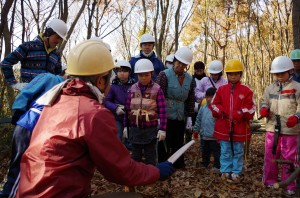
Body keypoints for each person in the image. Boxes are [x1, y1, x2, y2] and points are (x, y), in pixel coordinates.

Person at [16, 40, 174, 197]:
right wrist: (156, 171)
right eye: (110, 80)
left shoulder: (54, 101)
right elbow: (120, 170)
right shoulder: (93, 113)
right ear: (100, 80)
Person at [0, 69, 67, 198]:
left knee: (25, 167)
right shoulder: (50, 77)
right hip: (30, 124)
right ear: (63, 72)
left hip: (36, 127)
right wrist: (18, 111)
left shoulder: (65, 86)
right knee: (19, 167)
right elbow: (27, 92)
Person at [260, 56, 300, 196]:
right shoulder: (270, 88)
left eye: (282, 73)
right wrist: (263, 109)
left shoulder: (297, 87)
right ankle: (269, 181)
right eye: (277, 74)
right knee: (270, 156)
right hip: (272, 128)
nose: (279, 76)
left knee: (289, 157)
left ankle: (288, 184)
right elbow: (264, 102)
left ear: (290, 71)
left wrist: (296, 117)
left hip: (290, 129)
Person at [210, 59, 255, 181]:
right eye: (230, 74)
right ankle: (225, 170)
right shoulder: (221, 89)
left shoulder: (246, 90)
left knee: (238, 150)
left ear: (240, 74)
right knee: (225, 150)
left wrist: (241, 112)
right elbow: (213, 104)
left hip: (239, 127)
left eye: (236, 74)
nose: (233, 76)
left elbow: (251, 108)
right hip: (223, 126)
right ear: (227, 75)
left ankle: (236, 171)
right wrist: (221, 111)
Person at [1, 18, 68, 91]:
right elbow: (5, 63)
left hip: (48, 96)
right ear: (48, 33)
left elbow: (57, 75)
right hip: (29, 96)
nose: (59, 41)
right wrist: (14, 84)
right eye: (58, 37)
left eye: (61, 39)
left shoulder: (56, 54)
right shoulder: (28, 47)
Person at [156, 46, 195, 169]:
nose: (180, 66)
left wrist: (189, 115)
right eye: (178, 63)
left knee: (178, 140)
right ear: (174, 61)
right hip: (165, 113)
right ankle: (163, 164)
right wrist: (157, 115)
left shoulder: (189, 79)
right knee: (164, 140)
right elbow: (157, 95)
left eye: (183, 65)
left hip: (180, 114)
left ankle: (178, 163)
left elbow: (190, 98)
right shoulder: (164, 75)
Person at [123, 58, 167, 165]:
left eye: (146, 75)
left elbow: (163, 110)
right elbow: (128, 108)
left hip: (150, 129)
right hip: (135, 129)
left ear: (151, 74)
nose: (143, 78)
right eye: (141, 75)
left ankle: (150, 176)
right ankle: (136, 177)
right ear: (137, 75)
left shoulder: (157, 89)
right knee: (135, 156)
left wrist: (162, 129)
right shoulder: (132, 88)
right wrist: (125, 126)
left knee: (150, 155)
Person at [104, 60, 135, 142]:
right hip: (118, 117)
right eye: (120, 71)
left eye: (125, 71)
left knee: (131, 138)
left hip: (131, 117)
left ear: (129, 72)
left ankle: (131, 153)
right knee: (118, 136)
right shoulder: (112, 86)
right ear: (116, 72)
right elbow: (106, 101)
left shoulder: (134, 85)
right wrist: (115, 108)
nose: (122, 73)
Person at [193, 87, 220, 169]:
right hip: (204, 135)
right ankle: (205, 163)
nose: (209, 99)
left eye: (211, 97)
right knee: (205, 151)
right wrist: (196, 131)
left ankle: (217, 165)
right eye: (207, 97)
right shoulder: (203, 108)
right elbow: (198, 120)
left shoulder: (218, 109)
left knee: (217, 152)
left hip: (214, 136)